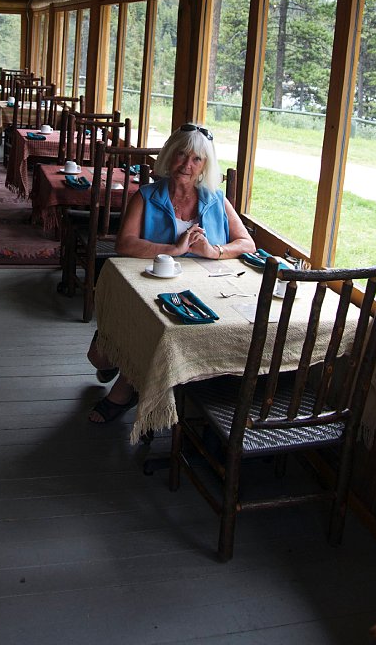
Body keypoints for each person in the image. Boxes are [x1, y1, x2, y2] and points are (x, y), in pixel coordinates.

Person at [89, 122, 256, 423]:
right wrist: (174, 249)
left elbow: (247, 243)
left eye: (196, 159)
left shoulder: (215, 199)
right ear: (169, 155)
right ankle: (120, 356)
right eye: (181, 155)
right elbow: (124, 243)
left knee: (170, 330)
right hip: (150, 283)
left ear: (205, 165)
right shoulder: (147, 196)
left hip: (205, 287)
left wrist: (213, 251)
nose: (187, 165)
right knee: (101, 355)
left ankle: (126, 385)